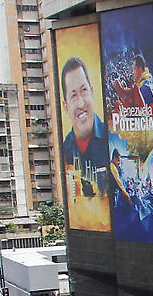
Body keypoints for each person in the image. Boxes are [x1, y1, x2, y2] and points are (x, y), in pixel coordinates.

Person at [61, 55, 109, 198]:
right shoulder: (65, 151)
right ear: (66, 107)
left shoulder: (113, 138)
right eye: (73, 95)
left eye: (84, 90)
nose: (81, 103)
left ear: (92, 92)